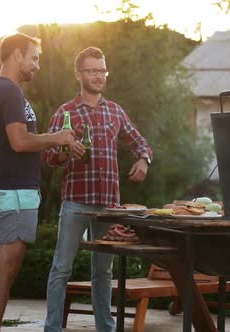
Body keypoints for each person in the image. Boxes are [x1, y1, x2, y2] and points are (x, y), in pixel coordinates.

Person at [43, 46, 153, 332]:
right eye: (92, 70)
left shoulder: (115, 112)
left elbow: (139, 142)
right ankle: (52, 328)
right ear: (78, 74)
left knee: (103, 272)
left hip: (108, 207)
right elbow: (49, 157)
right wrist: (67, 153)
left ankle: (105, 327)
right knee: (61, 269)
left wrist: (143, 159)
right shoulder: (65, 112)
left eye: (102, 70)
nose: (98, 75)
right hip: (76, 203)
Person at [0, 33, 81, 332]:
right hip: (14, 191)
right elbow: (19, 141)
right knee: (6, 266)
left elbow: (19, 141)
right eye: (34, 57)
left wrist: (52, 144)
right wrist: (57, 137)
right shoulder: (8, 91)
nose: (37, 65)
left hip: (9, 189)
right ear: (16, 55)